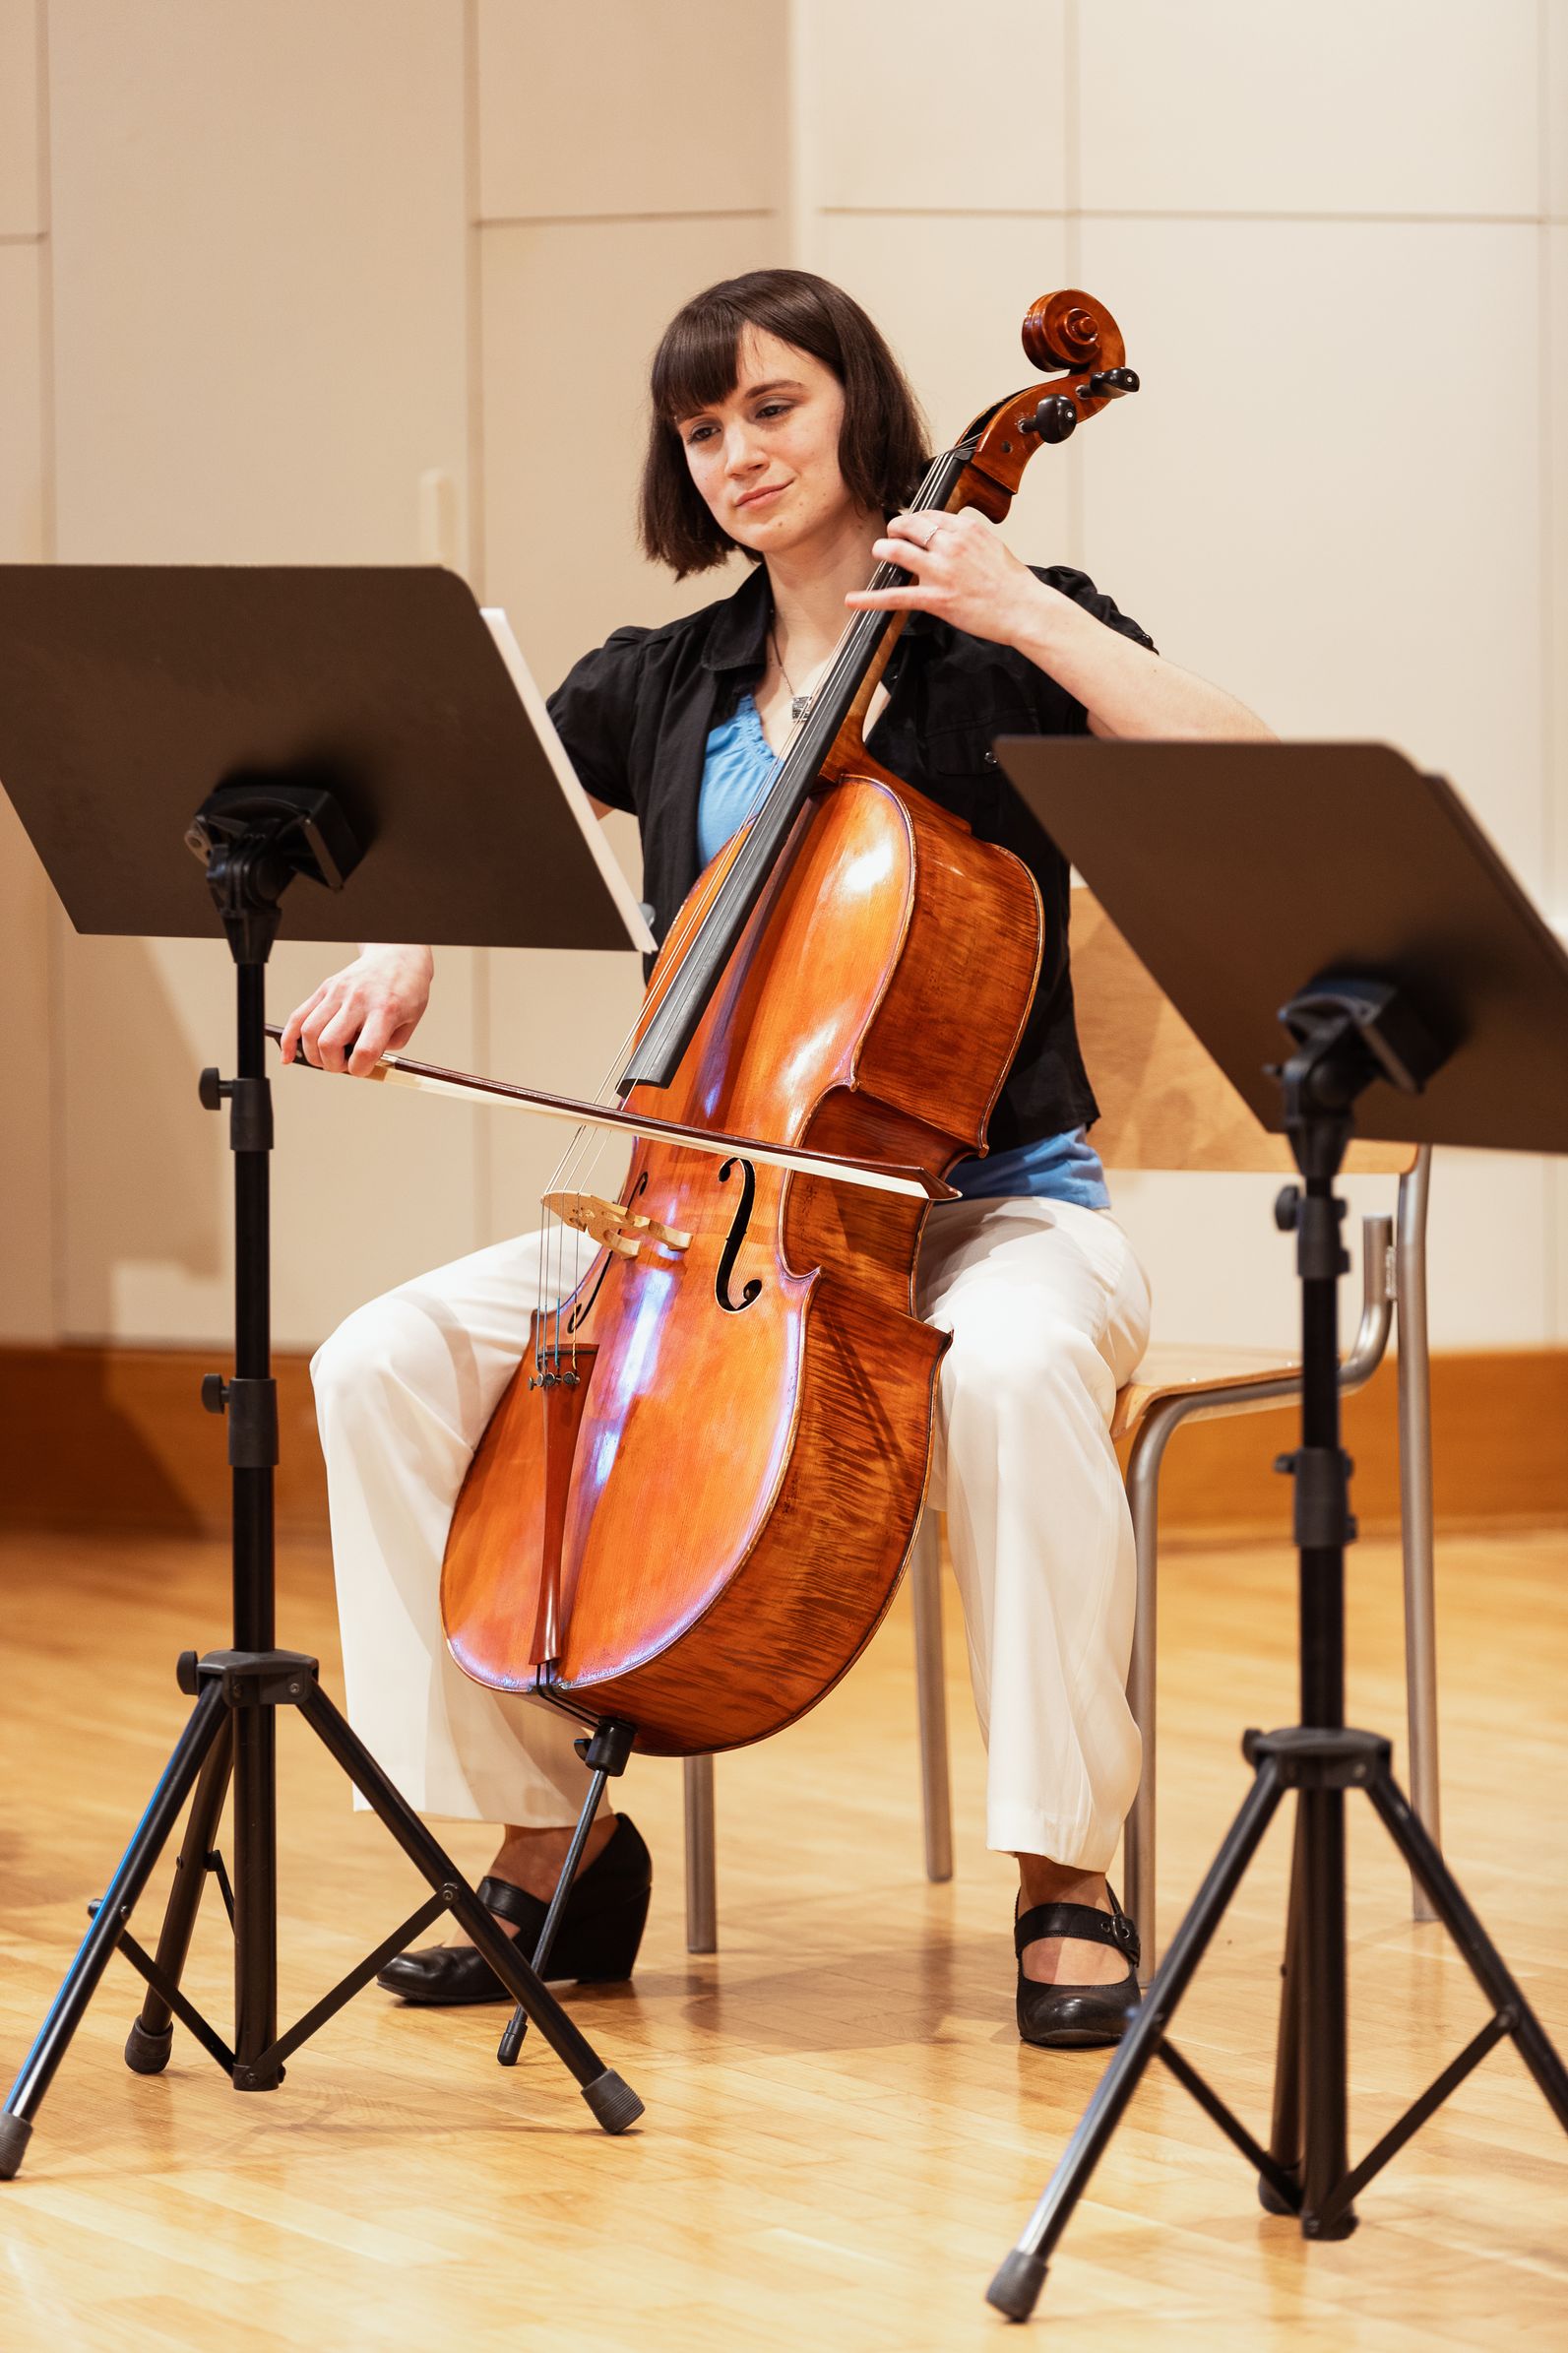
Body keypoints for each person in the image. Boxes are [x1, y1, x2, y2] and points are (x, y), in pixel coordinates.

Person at [287, 269, 1273, 2048]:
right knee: (377, 1363)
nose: (735, 452)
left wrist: (1026, 607)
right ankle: (550, 1843)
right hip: (704, 1219)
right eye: (700, 427)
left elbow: (1249, 774)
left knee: (1015, 1373)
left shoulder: (986, 649)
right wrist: (401, 941)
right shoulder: (664, 679)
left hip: (992, 1208)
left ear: (854, 410)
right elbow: (476, 806)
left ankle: (1065, 1872)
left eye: (770, 407)